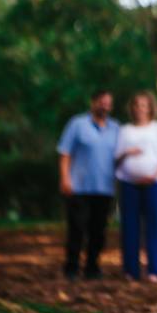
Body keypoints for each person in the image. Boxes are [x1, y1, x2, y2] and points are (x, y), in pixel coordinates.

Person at [114, 91, 157, 282]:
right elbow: (115, 158)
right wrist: (127, 153)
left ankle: (156, 268)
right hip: (129, 184)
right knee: (129, 226)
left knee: (156, 226)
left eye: (144, 105)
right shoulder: (125, 130)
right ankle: (130, 269)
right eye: (136, 105)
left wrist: (154, 175)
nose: (140, 109)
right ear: (131, 108)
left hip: (155, 183)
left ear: (150, 107)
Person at [57, 89, 119, 280]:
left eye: (108, 103)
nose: (105, 106)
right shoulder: (77, 124)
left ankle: (93, 267)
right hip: (79, 187)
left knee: (98, 231)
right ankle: (72, 267)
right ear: (93, 102)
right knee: (77, 228)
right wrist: (65, 178)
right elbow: (65, 153)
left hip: (105, 188)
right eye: (102, 102)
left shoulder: (117, 128)